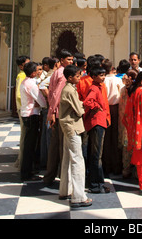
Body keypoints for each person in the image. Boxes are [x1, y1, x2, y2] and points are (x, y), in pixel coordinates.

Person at [58, 64, 92, 209]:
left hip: (67, 127)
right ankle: (78, 197)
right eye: (78, 76)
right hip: (72, 127)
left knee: (67, 158)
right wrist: (87, 104)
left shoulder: (69, 89)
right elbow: (79, 111)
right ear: (70, 77)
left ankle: (65, 190)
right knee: (78, 160)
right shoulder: (70, 91)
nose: (80, 78)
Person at [43, 49, 74, 187]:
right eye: (68, 60)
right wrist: (53, 112)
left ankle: (49, 176)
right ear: (61, 60)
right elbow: (56, 95)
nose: (71, 62)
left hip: (55, 112)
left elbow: (50, 93)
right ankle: (63, 179)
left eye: (72, 60)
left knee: (55, 146)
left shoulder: (56, 72)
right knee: (62, 146)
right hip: (60, 113)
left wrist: (51, 111)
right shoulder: (63, 74)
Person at [83, 65, 111, 194]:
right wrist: (96, 107)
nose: (103, 77)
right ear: (94, 77)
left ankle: (98, 181)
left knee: (96, 154)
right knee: (96, 154)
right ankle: (95, 184)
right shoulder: (94, 88)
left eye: (104, 74)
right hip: (96, 122)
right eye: (101, 75)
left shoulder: (100, 87)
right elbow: (87, 102)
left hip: (99, 121)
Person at [20, 61, 46, 181]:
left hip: (27, 113)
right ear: (32, 72)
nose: (38, 72)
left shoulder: (25, 81)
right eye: (37, 70)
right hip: (31, 115)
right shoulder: (31, 84)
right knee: (30, 145)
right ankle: (27, 173)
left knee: (29, 144)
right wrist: (45, 104)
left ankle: (27, 170)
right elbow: (40, 99)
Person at [102, 59, 123, 176]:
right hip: (116, 108)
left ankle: (107, 165)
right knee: (115, 137)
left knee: (106, 138)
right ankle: (116, 165)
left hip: (106, 108)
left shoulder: (103, 80)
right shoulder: (118, 80)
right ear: (112, 68)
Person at [118, 69, 138, 178]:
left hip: (124, 121)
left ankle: (126, 169)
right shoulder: (136, 91)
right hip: (133, 121)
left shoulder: (123, 90)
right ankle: (134, 169)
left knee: (126, 146)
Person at [39, 57, 56, 168]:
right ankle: (48, 163)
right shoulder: (52, 75)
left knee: (46, 135)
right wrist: (50, 98)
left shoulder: (50, 74)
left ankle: (44, 161)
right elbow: (41, 86)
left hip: (47, 108)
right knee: (49, 135)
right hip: (49, 109)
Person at [15, 55, 30, 169]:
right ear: (21, 66)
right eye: (27, 64)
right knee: (24, 136)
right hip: (24, 110)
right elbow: (19, 95)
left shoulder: (26, 76)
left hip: (25, 109)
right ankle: (21, 162)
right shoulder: (22, 76)